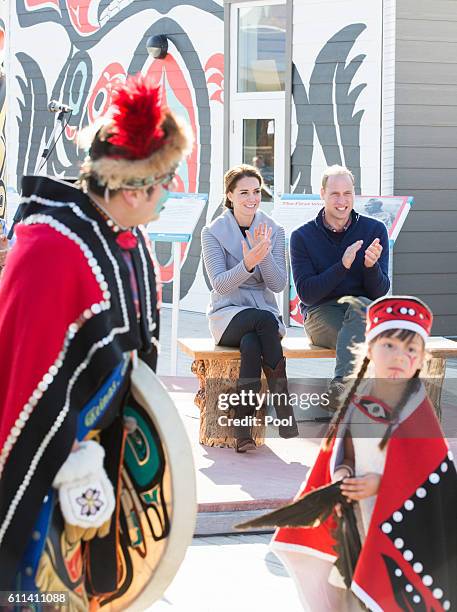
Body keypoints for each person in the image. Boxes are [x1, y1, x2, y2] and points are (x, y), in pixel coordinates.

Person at [0, 74, 194, 605]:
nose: (170, 189)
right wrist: (71, 459)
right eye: (166, 177)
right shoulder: (52, 249)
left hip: (97, 463)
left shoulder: (123, 237)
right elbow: (24, 385)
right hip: (50, 467)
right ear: (132, 188)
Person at [271, 296, 457, 611]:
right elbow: (343, 454)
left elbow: (429, 477)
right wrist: (342, 474)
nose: (400, 357)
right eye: (390, 346)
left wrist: (381, 485)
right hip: (358, 521)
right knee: (353, 589)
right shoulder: (358, 404)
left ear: (420, 359)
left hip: (400, 531)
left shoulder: (417, 411)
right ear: (370, 349)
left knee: (387, 591)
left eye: (411, 350)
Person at [201, 164, 298, 452]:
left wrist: (264, 255)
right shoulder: (212, 232)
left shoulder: (274, 229)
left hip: (262, 316)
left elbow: (278, 284)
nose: (251, 198)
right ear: (229, 195)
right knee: (261, 323)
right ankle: (284, 409)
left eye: (256, 192)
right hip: (226, 315)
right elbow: (220, 285)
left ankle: (243, 430)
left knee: (252, 342)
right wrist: (248, 263)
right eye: (243, 192)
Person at [290, 165, 390, 391]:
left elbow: (379, 291)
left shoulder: (375, 230)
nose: (341, 200)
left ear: (354, 194)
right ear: (322, 193)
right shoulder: (302, 236)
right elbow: (306, 293)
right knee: (367, 342)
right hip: (320, 313)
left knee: (363, 305)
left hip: (362, 313)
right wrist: (342, 266)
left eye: (347, 193)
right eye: (334, 193)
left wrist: (370, 267)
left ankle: (342, 389)